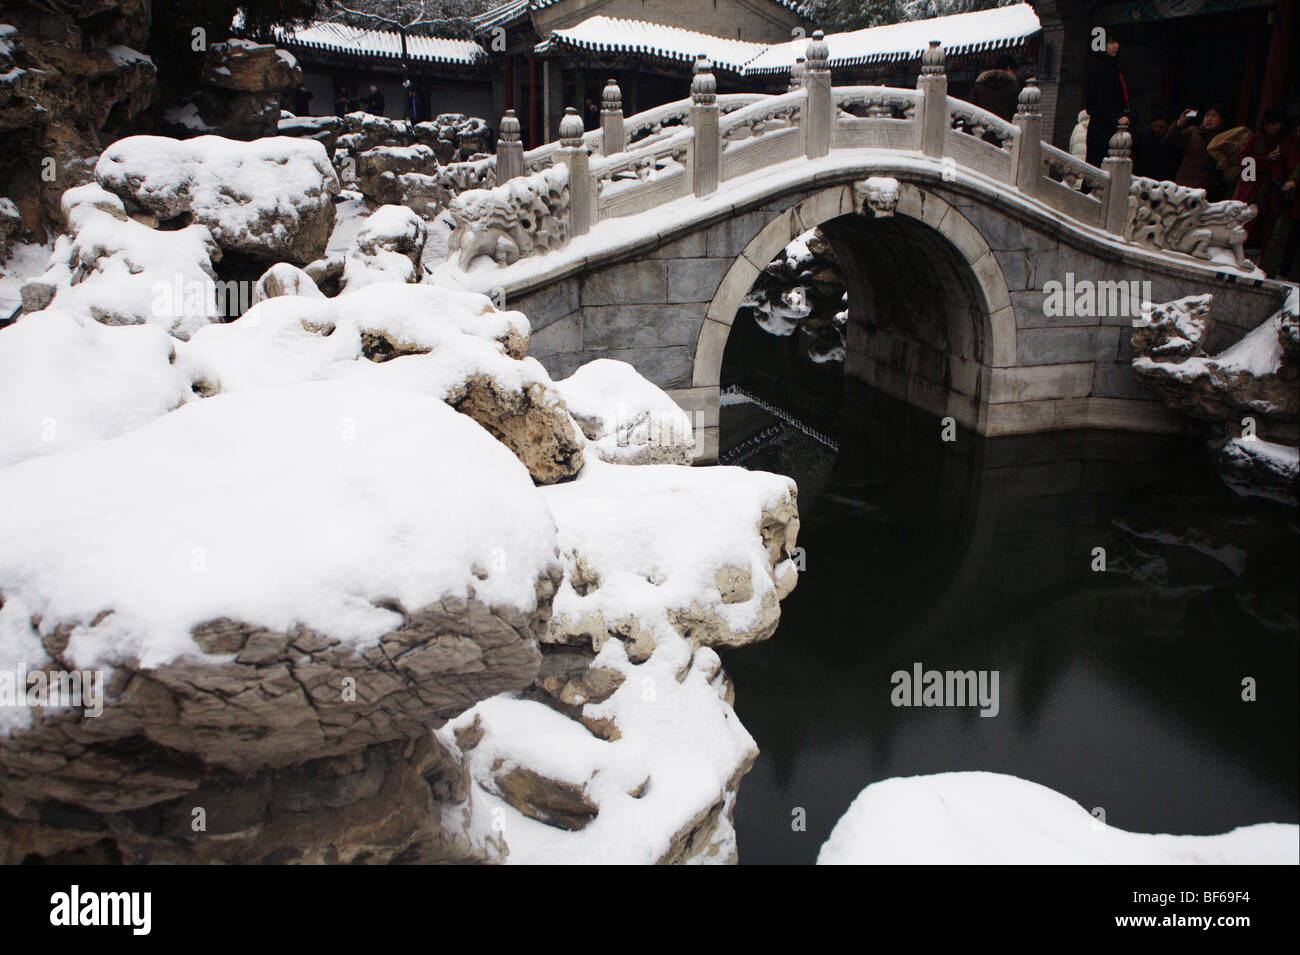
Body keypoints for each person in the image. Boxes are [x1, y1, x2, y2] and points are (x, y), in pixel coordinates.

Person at [1237, 109, 1300, 256]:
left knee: (1269, 227)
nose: (1272, 128)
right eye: (1268, 125)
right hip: (1254, 186)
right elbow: (1244, 162)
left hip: (1275, 189)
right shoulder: (1256, 139)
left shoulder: (1287, 141)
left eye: (1275, 124)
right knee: (1245, 221)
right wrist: (1265, 160)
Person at [1083, 35, 1129, 167]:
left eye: (1116, 42)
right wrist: (1116, 117)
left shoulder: (1112, 66)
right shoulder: (1099, 67)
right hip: (1102, 127)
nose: (1115, 46)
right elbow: (1102, 98)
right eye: (1111, 42)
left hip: (1110, 126)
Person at [1164, 105, 1224, 192]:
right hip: (1187, 181)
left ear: (1221, 120)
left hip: (1209, 185)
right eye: (1207, 115)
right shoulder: (1193, 132)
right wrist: (1179, 124)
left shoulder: (1223, 137)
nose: (1209, 119)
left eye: (1213, 116)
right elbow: (1170, 139)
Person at [972, 55, 1020, 125]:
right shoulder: (1013, 87)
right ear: (1008, 68)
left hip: (981, 130)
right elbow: (1015, 113)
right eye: (1014, 71)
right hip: (1004, 131)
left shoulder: (980, 85)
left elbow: (972, 109)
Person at [1133, 116, 1178, 181]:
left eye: (1161, 127)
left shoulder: (1172, 141)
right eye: (1155, 126)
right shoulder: (1143, 138)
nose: (1158, 130)